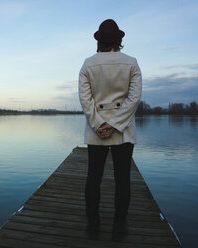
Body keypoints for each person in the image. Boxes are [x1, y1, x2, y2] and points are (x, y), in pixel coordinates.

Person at [78, 19, 142, 241]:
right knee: (122, 179)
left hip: (97, 131)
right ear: (120, 40)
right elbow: (133, 100)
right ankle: (119, 228)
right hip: (123, 131)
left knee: (93, 177)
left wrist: (99, 124)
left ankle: (93, 226)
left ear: (99, 41)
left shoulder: (88, 64)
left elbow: (86, 101)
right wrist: (115, 125)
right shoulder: (131, 63)